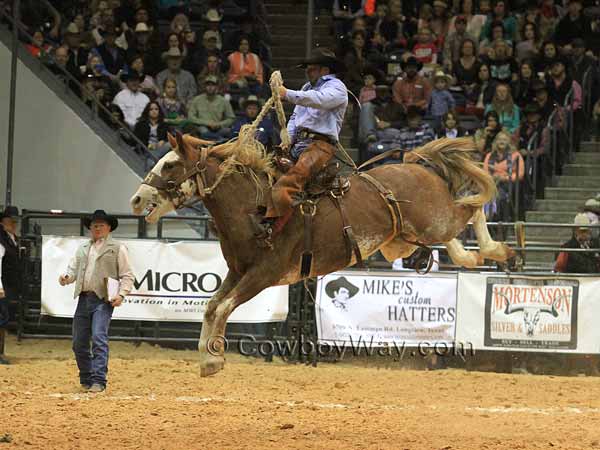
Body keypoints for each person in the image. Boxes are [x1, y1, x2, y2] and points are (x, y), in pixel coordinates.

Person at [258, 48, 348, 243]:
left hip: (321, 145)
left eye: (312, 68)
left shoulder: (337, 87)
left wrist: (287, 93)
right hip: (299, 142)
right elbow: (295, 118)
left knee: (292, 178)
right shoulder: (307, 87)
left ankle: (272, 226)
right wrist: (287, 140)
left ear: (325, 70)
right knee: (265, 171)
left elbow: (321, 101)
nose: (308, 71)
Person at [58, 210, 134, 392]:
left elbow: (127, 275)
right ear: (90, 228)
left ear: (108, 228)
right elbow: (73, 269)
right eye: (94, 225)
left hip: (102, 300)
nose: (97, 228)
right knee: (78, 342)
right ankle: (86, 377)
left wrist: (122, 294)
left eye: (100, 225)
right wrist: (66, 278)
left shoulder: (118, 248)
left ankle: (99, 380)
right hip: (84, 298)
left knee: (99, 337)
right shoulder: (83, 248)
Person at [483, 131, 525, 220]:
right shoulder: (489, 155)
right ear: (495, 142)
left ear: (509, 142)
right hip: (492, 182)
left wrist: (504, 178)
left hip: (508, 184)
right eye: (499, 139)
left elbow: (520, 174)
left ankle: (490, 217)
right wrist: (492, 178)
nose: (502, 142)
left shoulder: (516, 155)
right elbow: (485, 171)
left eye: (504, 139)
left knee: (498, 194)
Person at [187, 75, 235, 141]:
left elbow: (231, 118)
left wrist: (219, 124)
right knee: (202, 131)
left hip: (219, 127)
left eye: (213, 85)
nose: (210, 87)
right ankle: (218, 139)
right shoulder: (197, 100)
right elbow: (191, 117)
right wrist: (207, 123)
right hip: (202, 127)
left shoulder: (223, 101)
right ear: (204, 87)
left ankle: (217, 139)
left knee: (230, 131)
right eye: (208, 85)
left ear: (217, 87)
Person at [0, 206, 20, 365]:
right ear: (2, 221)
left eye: (15, 220)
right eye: (10, 220)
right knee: (1, 317)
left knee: (4, 316)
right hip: (2, 284)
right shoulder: (1, 239)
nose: (13, 223)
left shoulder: (12, 238)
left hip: (9, 284)